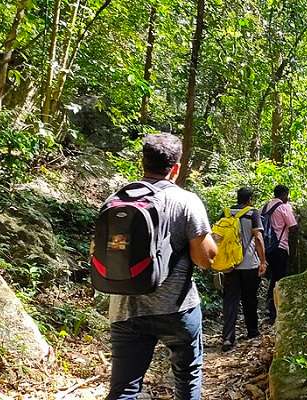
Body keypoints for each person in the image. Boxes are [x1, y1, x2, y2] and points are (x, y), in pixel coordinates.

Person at [106, 133, 217, 400]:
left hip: (126, 307)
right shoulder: (186, 201)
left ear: (142, 162)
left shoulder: (117, 199)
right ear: (176, 168)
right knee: (187, 376)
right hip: (177, 308)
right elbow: (206, 259)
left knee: (124, 390)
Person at [221, 187, 267, 352]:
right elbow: (258, 237)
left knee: (230, 300)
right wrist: (263, 261)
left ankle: (227, 337)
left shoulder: (226, 213)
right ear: (250, 199)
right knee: (250, 298)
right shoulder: (252, 213)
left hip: (229, 264)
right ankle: (252, 332)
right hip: (249, 264)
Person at [263, 184, 298, 325]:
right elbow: (293, 226)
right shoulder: (283, 207)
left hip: (266, 248)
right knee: (279, 279)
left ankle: (269, 308)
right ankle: (274, 311)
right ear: (284, 194)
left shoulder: (265, 207)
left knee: (272, 278)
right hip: (280, 247)